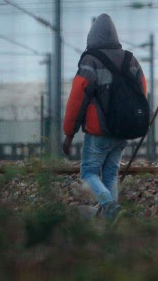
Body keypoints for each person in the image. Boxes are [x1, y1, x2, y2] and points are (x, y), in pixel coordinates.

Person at [62, 14, 147, 220]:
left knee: (89, 173)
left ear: (92, 37)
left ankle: (109, 206)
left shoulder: (91, 61)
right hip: (123, 131)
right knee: (110, 175)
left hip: (99, 132)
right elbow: (142, 92)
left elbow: (77, 98)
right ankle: (113, 223)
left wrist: (69, 133)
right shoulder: (130, 59)